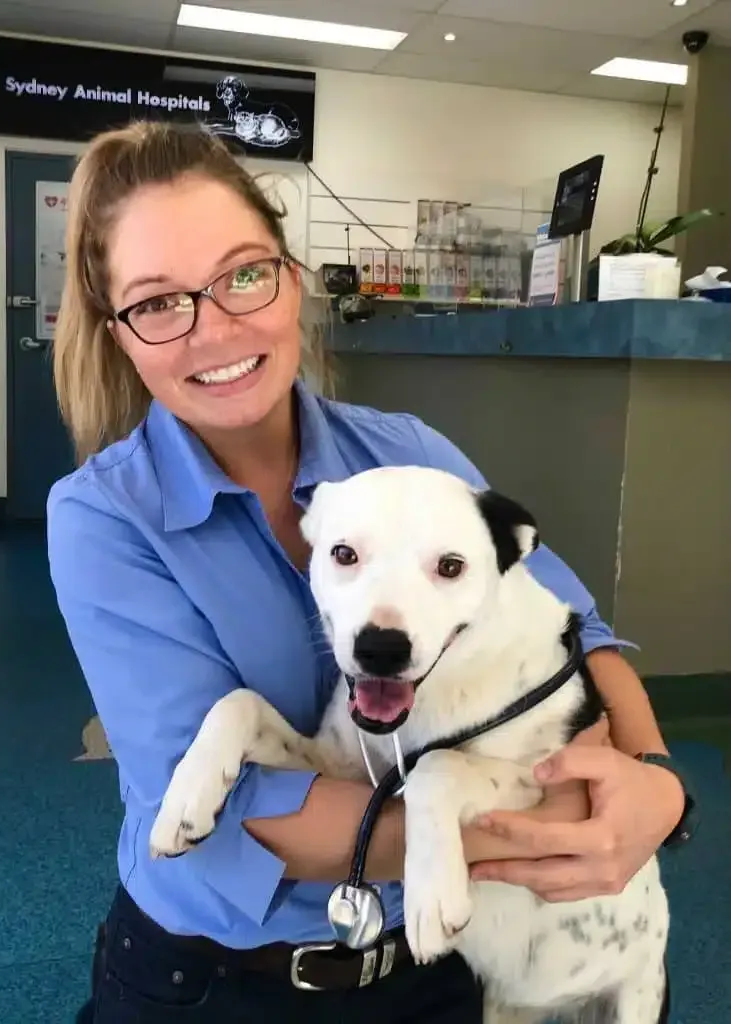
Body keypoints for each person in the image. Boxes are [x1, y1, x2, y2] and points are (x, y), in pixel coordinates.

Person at [46, 121, 685, 1024]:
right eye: (157, 301)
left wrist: (655, 782)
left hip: (430, 968)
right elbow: (247, 816)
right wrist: (539, 836)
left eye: (242, 275)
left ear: (291, 280)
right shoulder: (103, 518)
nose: (215, 326)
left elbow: (573, 622)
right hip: (224, 983)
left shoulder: (407, 452)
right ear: (118, 333)